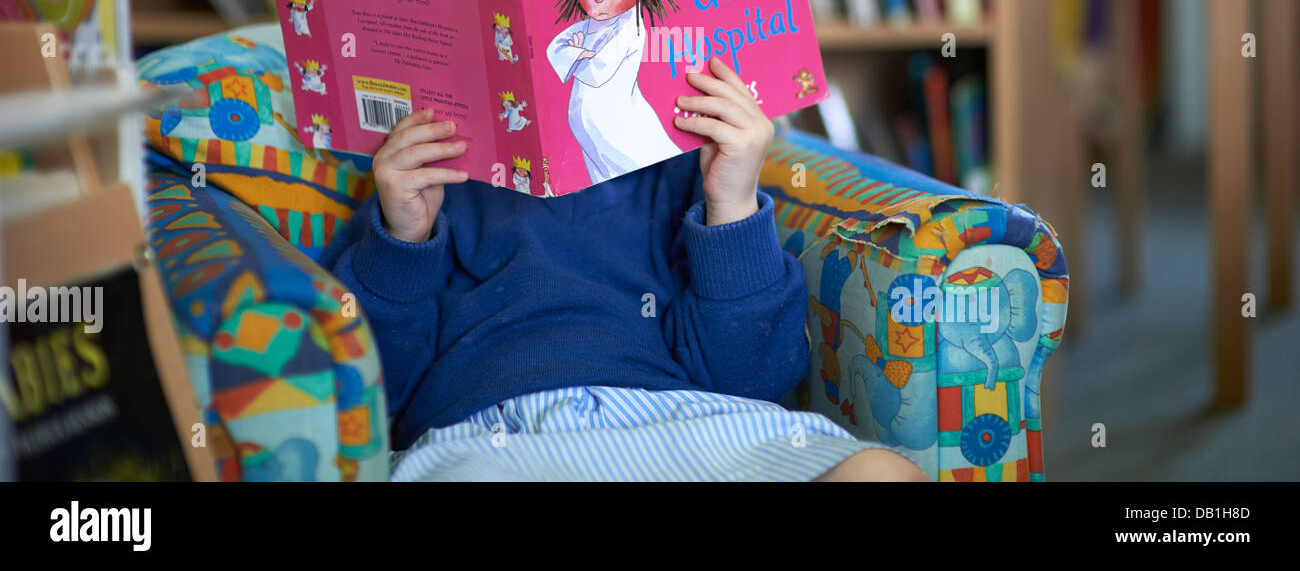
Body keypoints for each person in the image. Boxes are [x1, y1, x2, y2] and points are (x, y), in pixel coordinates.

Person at [321, 56, 926, 482]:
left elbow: (755, 378)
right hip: (491, 438)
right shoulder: (425, 184)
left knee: (882, 472)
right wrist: (404, 236)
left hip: (682, 425)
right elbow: (365, 391)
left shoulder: (677, 166)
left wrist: (733, 204)